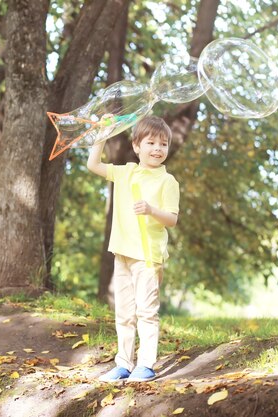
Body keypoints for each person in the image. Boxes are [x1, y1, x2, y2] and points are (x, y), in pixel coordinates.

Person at [87, 115, 180, 383]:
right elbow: (93, 164)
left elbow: (172, 219)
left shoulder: (167, 181)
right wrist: (103, 133)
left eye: (163, 144)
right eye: (150, 142)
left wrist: (152, 210)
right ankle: (123, 364)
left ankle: (146, 365)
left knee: (146, 312)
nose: (157, 149)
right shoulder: (125, 172)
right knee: (124, 312)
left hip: (148, 256)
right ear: (136, 146)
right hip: (122, 254)